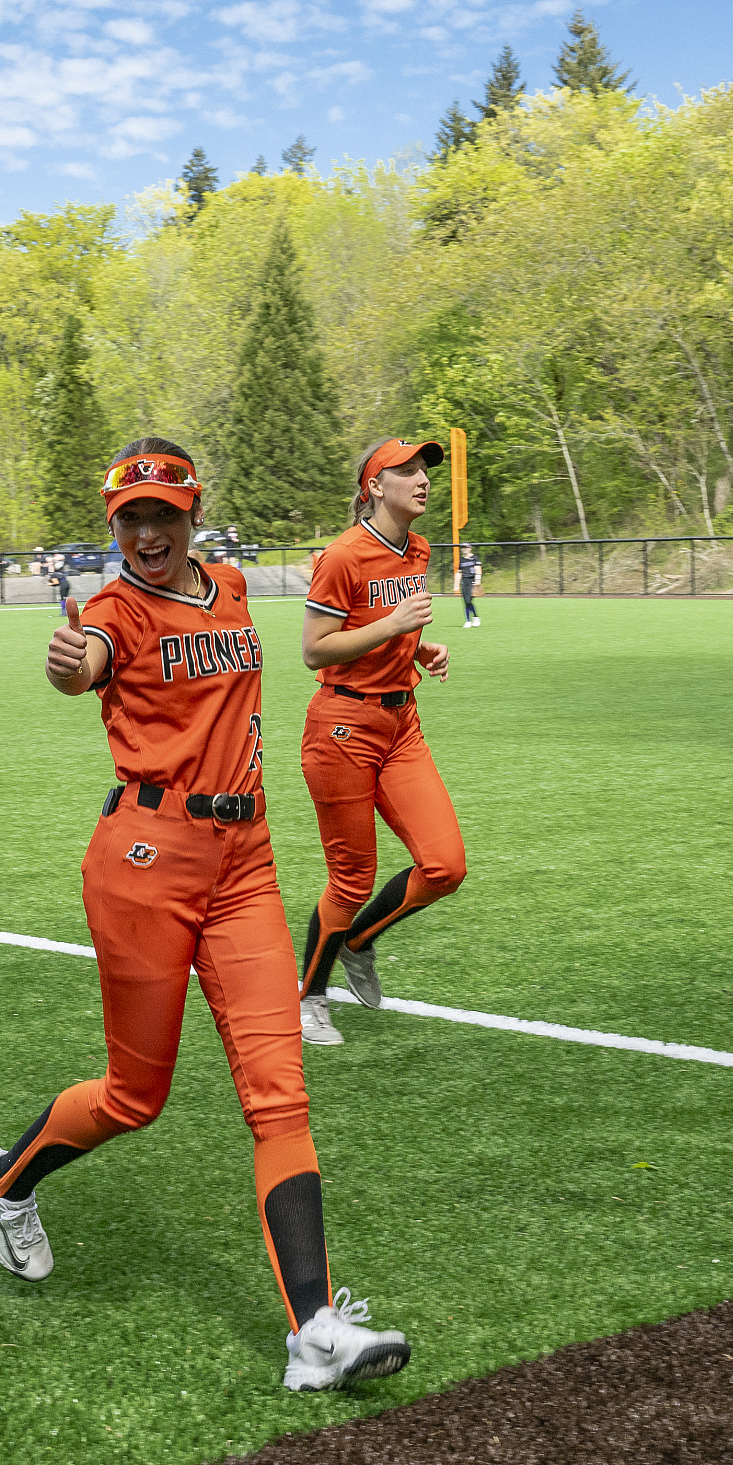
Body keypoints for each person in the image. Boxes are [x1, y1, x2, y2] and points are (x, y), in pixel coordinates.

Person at [0, 440, 409, 1392]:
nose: (149, 531)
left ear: (192, 511)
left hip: (246, 861)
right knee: (135, 1097)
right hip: (144, 861)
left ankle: (314, 1330)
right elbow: (82, 664)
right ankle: (6, 1181)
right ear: (112, 526)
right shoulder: (109, 608)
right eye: (131, 518)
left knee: (279, 1094)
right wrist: (67, 665)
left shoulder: (237, 588)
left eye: (164, 512)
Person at [294, 439, 469, 1046]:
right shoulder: (343, 556)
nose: (422, 480)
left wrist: (419, 648)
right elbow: (316, 648)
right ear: (375, 486)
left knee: (445, 866)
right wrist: (394, 626)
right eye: (407, 471)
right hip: (342, 730)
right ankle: (309, 998)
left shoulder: (418, 547)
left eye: (425, 471)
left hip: (402, 725)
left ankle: (361, 941)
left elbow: (383, 632)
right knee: (351, 878)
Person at [457, 538, 481, 627]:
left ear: (470, 548)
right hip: (464, 581)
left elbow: (478, 569)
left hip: (472, 580)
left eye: (466, 547)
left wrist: (478, 580)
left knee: (468, 601)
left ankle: (475, 617)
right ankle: (468, 621)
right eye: (463, 547)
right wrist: (456, 584)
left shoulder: (474, 558)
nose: (464, 549)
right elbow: (459, 572)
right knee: (465, 601)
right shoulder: (462, 559)